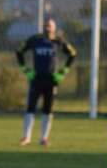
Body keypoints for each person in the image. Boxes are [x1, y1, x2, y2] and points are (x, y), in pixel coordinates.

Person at [15, 18, 76, 146]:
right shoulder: (35, 40)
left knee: (47, 109)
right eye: (45, 26)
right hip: (36, 78)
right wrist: (25, 69)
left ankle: (44, 138)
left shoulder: (58, 41)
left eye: (49, 26)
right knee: (31, 107)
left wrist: (63, 71)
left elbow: (72, 54)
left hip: (51, 80)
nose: (47, 28)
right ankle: (26, 137)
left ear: (54, 28)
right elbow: (19, 51)